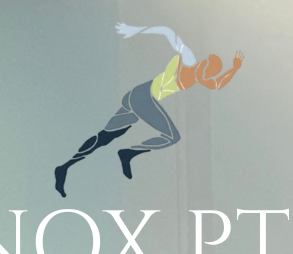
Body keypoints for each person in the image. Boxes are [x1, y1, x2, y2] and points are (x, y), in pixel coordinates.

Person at [53, 23, 243, 197]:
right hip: (144, 97)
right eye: (207, 71)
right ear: (204, 63)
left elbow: (217, 84)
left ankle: (64, 167)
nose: (206, 76)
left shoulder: (200, 77)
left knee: (104, 137)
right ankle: (128, 153)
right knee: (172, 136)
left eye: (209, 74)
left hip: (136, 97)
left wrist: (234, 69)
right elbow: (168, 32)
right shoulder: (189, 59)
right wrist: (136, 30)